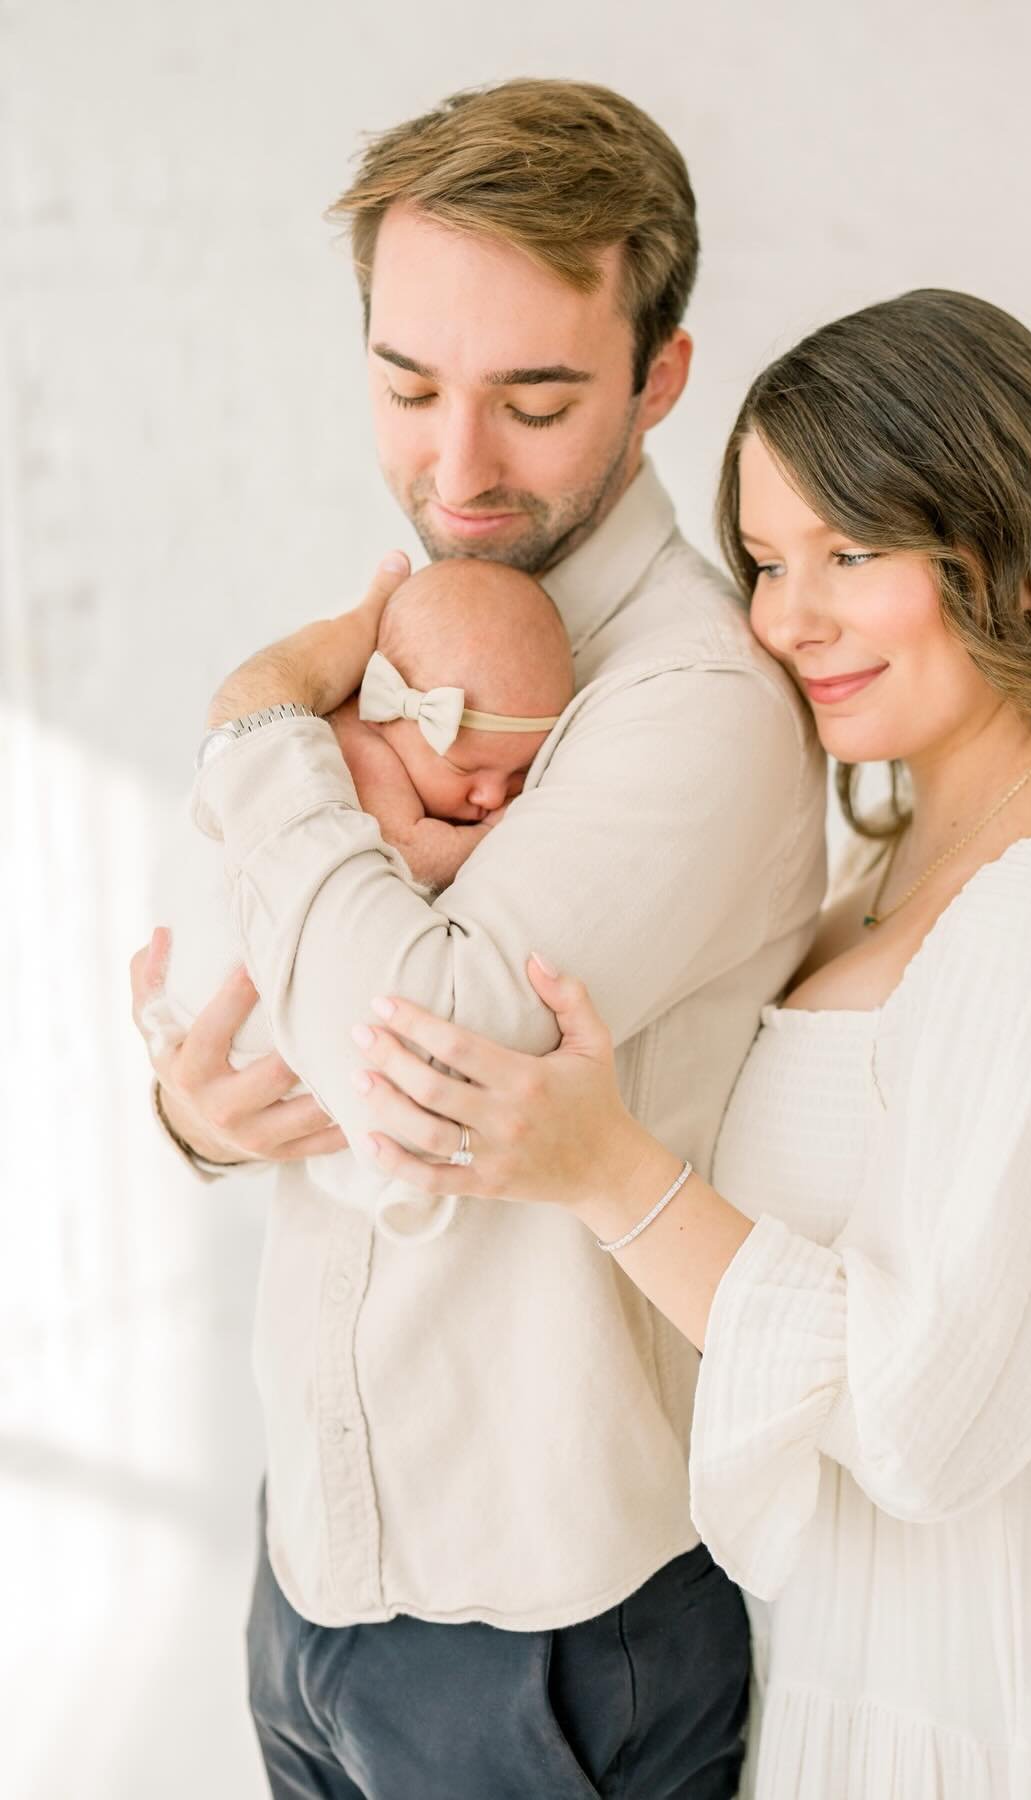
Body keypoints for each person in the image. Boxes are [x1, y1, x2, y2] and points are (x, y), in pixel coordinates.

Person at [343, 291, 1031, 1799]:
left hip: (1005, 1699)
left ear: (1013, 558)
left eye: (850, 555)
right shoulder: (883, 882)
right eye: (767, 561)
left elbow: (925, 1424)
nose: (786, 619)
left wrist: (611, 1172)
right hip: (854, 1666)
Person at [129, 80, 826, 1798]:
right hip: (315, 1570)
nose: (458, 467)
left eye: (534, 398)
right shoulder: (423, 617)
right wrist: (194, 1116)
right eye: (406, 383)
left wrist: (256, 731)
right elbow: (260, 998)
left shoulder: (702, 707)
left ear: (660, 377)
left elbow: (418, 1075)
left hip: (548, 1640)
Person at [144, 557, 573, 1241]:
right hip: (239, 977)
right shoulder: (360, 749)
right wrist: (492, 838)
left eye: (520, 775)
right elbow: (407, 849)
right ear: (388, 712)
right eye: (470, 771)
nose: (492, 797)